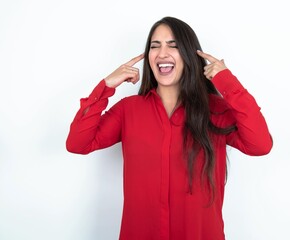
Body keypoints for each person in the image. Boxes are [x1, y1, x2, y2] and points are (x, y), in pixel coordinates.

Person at [66, 16, 272, 240]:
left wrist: (228, 82)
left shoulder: (215, 110)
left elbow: (260, 144)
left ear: (189, 55)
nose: (162, 53)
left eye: (172, 45)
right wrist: (105, 86)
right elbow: (78, 143)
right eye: (155, 46)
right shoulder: (129, 110)